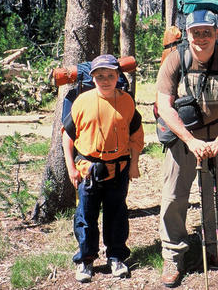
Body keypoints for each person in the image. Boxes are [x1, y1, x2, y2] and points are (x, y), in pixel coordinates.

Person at [155, 10, 218, 287]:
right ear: (187, 34)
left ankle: (216, 248)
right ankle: (173, 255)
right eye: (196, 32)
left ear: (216, 33)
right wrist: (190, 141)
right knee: (174, 197)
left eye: (207, 31)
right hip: (182, 142)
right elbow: (164, 105)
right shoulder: (176, 59)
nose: (201, 37)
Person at [62, 54, 144, 283]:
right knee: (86, 216)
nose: (105, 80)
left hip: (118, 170)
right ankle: (85, 260)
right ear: (92, 77)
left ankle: (116, 256)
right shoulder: (82, 102)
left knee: (116, 214)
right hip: (88, 170)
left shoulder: (127, 102)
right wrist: (71, 168)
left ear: (118, 76)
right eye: (100, 76)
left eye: (110, 75)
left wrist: (134, 164)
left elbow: (137, 135)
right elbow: (67, 137)